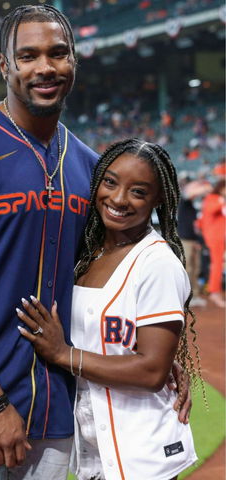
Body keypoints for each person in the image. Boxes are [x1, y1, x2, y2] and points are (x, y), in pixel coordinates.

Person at [0, 5, 191, 479]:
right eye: (28, 55)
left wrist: (157, 355)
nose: (45, 67)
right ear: (5, 65)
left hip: (54, 407)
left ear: (74, 62)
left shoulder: (88, 166)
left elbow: (104, 278)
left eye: (58, 53)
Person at [17, 139, 201, 480]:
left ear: (158, 198)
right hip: (94, 448)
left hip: (144, 454)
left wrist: (63, 355)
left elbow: (150, 372)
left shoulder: (157, 263)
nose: (118, 199)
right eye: (111, 182)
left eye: (138, 191)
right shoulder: (86, 253)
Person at [177, 175, 212, 307]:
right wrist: (203, 187)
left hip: (193, 240)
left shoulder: (191, 205)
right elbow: (189, 192)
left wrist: (198, 240)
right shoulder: (184, 201)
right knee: (187, 268)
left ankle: (195, 295)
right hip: (185, 240)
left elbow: (195, 226)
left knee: (196, 269)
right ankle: (185, 297)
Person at [197, 178, 226, 308]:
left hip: (217, 236)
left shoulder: (216, 198)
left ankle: (215, 291)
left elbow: (201, 220)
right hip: (215, 238)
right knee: (217, 265)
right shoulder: (213, 198)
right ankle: (214, 292)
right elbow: (210, 211)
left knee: (218, 264)